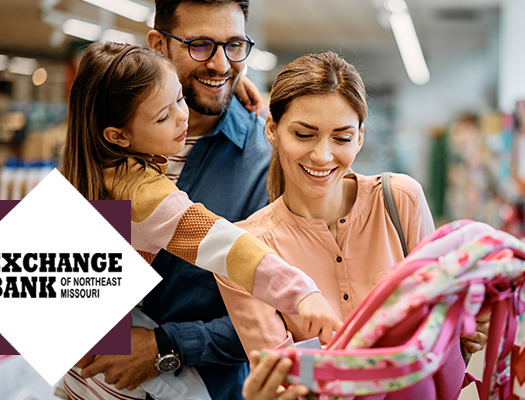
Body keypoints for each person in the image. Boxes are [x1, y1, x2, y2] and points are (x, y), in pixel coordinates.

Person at [59, 42, 341, 399]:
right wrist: (302, 293)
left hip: (75, 368)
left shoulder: (85, 165)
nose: (183, 117)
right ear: (118, 135)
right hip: (116, 377)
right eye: (163, 116)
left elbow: (117, 76)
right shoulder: (147, 197)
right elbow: (228, 246)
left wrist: (232, 83)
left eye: (180, 98)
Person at [215, 52, 490, 400]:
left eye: (342, 138)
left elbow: (436, 331)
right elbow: (283, 376)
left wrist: (464, 331)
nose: (322, 156)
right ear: (272, 129)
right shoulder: (247, 251)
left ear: (360, 137)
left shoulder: (401, 200)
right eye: (304, 134)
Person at [69, 1, 279, 400]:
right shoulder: (104, 138)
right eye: (200, 45)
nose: (220, 65)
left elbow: (280, 317)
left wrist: (167, 346)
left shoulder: (265, 161)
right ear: (158, 44)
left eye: (234, 45)